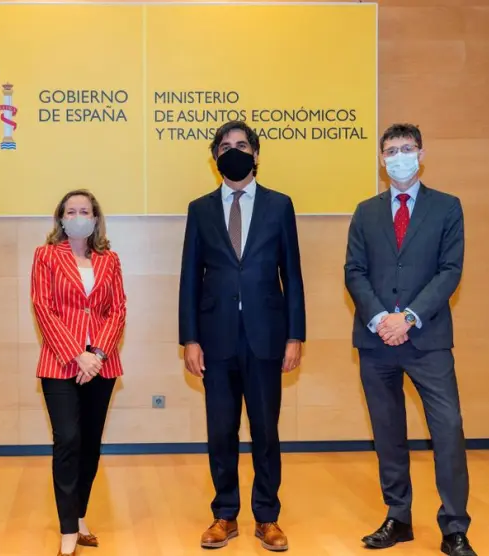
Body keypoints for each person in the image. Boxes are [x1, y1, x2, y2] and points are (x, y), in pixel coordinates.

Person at [343, 123, 476, 556]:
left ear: (421, 154)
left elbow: (450, 271)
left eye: (406, 148)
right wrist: (382, 319)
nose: (399, 156)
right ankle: (398, 517)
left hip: (428, 339)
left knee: (448, 429)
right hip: (376, 340)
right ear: (382, 160)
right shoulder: (365, 212)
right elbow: (354, 271)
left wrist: (410, 318)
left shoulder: (447, 207)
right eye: (391, 150)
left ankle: (454, 527)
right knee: (388, 434)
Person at [178, 120, 306, 552]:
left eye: (242, 145)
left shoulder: (279, 205)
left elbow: (292, 274)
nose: (233, 151)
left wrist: (295, 335)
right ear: (215, 158)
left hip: (267, 336)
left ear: (255, 154)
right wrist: (190, 339)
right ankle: (225, 514)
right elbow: (190, 278)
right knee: (221, 431)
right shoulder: (200, 209)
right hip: (215, 339)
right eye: (225, 146)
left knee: (266, 430)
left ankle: (267, 517)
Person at [30, 189, 127, 556]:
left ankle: (80, 513)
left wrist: (97, 354)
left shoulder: (109, 259)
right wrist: (77, 355)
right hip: (60, 363)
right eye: (70, 211)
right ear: (60, 218)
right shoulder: (45, 256)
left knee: (89, 444)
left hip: (102, 364)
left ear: (95, 218)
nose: (77, 217)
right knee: (68, 440)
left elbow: (118, 309)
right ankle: (68, 529)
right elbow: (43, 308)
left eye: (84, 211)